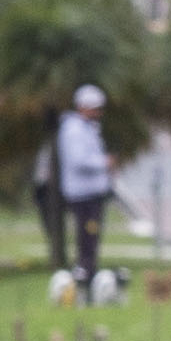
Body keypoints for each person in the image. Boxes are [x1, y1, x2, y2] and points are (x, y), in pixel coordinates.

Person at [48, 83, 117, 290]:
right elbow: (79, 160)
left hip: (92, 193)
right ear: (83, 107)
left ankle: (89, 272)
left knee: (91, 237)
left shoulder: (88, 128)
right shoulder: (74, 130)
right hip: (83, 194)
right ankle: (84, 275)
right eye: (95, 108)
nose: (98, 113)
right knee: (87, 236)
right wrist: (105, 163)